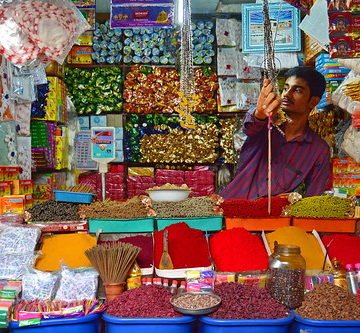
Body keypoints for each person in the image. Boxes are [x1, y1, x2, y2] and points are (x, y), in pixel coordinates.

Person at [220, 66, 331, 200]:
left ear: (313, 101)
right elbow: (251, 126)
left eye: (297, 90)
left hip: (273, 218)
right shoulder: (266, 125)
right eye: (285, 88)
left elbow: (313, 198)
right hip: (232, 209)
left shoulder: (318, 150)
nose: (287, 94)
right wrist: (260, 113)